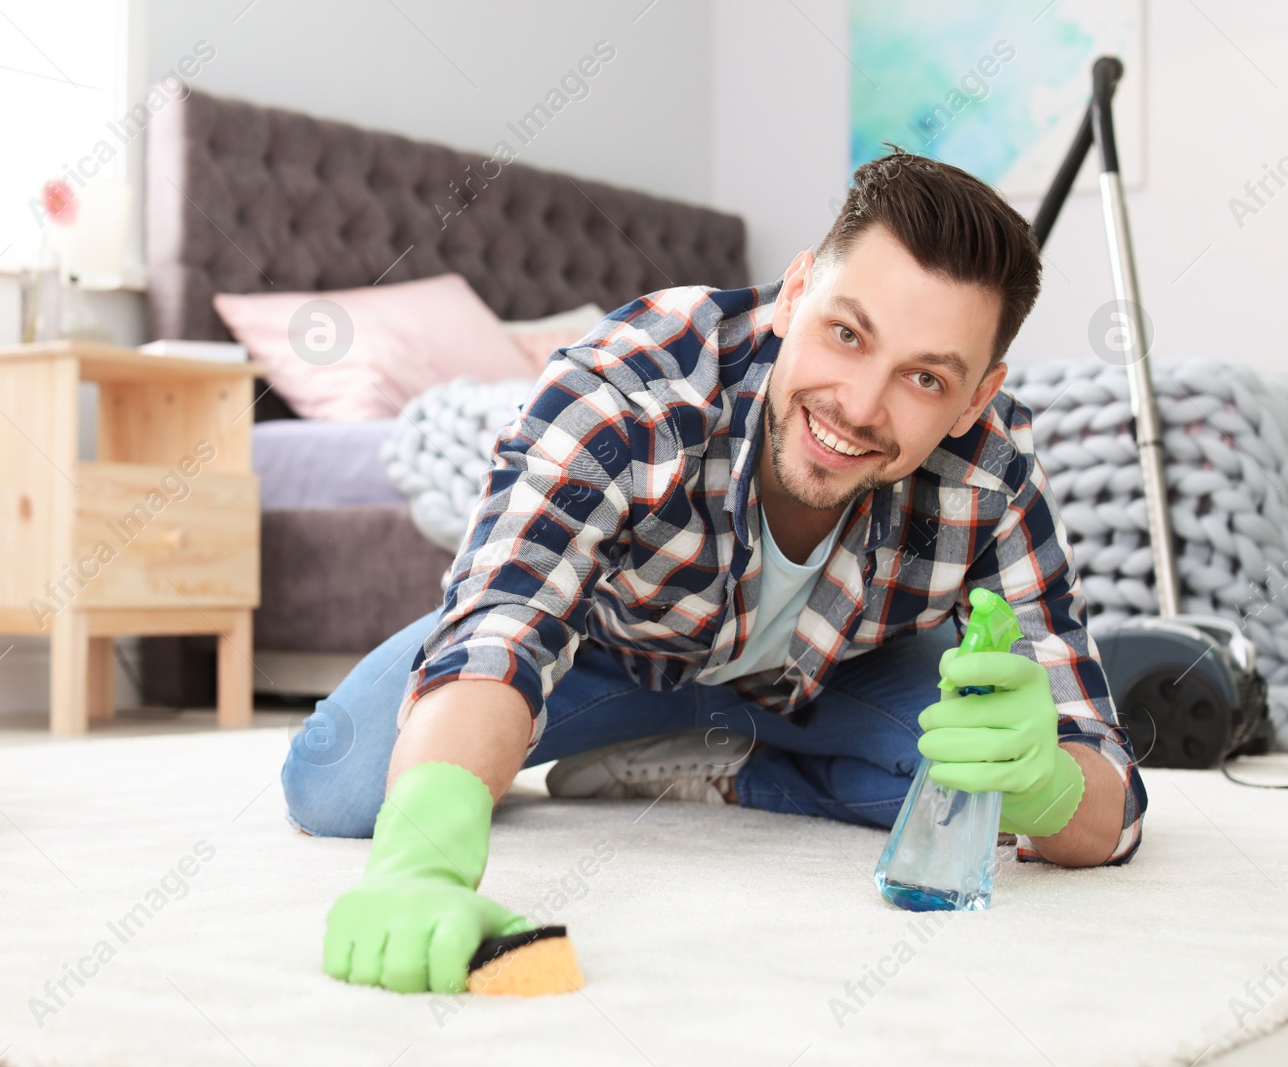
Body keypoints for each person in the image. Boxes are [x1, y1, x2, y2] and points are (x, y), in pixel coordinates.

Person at [282, 147, 1147, 995]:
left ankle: (726, 767)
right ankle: (666, 739)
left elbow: (1113, 795)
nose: (858, 405)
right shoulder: (632, 387)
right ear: (796, 293)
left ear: (975, 397)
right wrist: (423, 864)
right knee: (339, 780)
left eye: (924, 377)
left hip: (828, 680)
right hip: (609, 655)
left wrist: (1046, 779)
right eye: (846, 334)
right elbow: (504, 618)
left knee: (971, 801)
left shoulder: (990, 468)